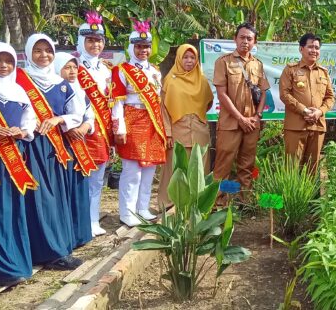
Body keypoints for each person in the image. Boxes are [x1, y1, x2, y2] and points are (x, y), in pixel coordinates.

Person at [16, 33, 84, 270]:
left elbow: (76, 113)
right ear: (28, 53)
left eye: (48, 51)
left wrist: (58, 119)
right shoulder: (18, 79)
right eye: (37, 50)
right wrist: (27, 121)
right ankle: (46, 251)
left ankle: (59, 246)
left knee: (55, 195)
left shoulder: (61, 83)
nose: (43, 55)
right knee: (38, 197)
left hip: (55, 147)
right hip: (30, 146)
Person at [0, 42, 38, 287]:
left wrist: (22, 131)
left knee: (14, 206)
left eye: (9, 61)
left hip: (14, 155)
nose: (4, 66)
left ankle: (18, 261)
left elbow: (30, 119)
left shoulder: (19, 90)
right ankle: (0, 267)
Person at [110, 20, 166, 227]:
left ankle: (142, 207)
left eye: (147, 46)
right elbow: (117, 101)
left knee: (150, 168)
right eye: (139, 46)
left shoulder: (155, 70)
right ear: (131, 47)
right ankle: (127, 211)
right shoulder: (122, 70)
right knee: (132, 170)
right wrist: (119, 127)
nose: (143, 50)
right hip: (132, 120)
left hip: (152, 121)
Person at [212, 23, 269, 204]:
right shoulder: (223, 62)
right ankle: (219, 203)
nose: (245, 41)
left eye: (249, 38)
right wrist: (240, 118)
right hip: (230, 124)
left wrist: (257, 116)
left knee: (247, 165)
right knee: (223, 165)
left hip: (252, 124)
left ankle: (245, 201)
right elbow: (222, 94)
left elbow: (263, 93)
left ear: (254, 42)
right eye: (242, 37)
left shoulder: (258, 65)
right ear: (235, 39)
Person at [159, 43, 214, 204]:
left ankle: (197, 205)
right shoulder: (170, 81)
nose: (189, 61)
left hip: (199, 131)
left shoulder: (202, 81)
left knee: (199, 169)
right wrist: (168, 133)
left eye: (192, 57)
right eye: (185, 57)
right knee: (175, 168)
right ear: (178, 58)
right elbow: (163, 109)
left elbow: (208, 103)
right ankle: (170, 205)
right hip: (177, 131)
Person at [76, 11, 114, 237]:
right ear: (81, 41)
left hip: (100, 130)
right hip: (79, 130)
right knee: (79, 178)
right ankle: (78, 222)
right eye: (90, 40)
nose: (95, 45)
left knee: (97, 178)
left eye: (99, 40)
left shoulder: (106, 69)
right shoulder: (73, 67)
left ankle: (92, 219)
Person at [55, 52, 96, 248]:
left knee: (79, 187)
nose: (72, 72)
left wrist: (84, 127)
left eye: (74, 67)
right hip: (59, 145)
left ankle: (81, 233)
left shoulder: (80, 90)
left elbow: (90, 116)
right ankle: (67, 235)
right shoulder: (54, 90)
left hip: (78, 144)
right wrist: (68, 128)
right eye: (67, 67)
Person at [279, 33, 335, 174]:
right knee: (291, 168)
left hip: (317, 126)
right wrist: (304, 110)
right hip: (295, 126)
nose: (314, 50)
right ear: (301, 49)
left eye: (317, 48)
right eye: (310, 47)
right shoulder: (290, 70)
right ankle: (291, 190)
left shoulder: (323, 72)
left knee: (312, 169)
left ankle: (311, 190)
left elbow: (330, 98)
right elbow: (284, 94)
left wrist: (319, 112)